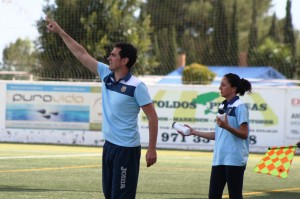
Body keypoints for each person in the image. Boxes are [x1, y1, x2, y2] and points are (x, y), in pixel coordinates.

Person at [46, 17, 158, 199]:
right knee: (109, 195)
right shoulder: (106, 74)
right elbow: (81, 54)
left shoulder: (137, 87)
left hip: (126, 150)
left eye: (113, 55)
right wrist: (60, 32)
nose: (109, 57)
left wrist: (152, 148)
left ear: (125, 61)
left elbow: (153, 117)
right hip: (109, 147)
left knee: (121, 196)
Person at [178, 73, 252, 199]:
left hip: (234, 159)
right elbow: (218, 134)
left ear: (233, 88)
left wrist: (227, 127)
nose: (220, 88)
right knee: (213, 196)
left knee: (235, 196)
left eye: (223, 85)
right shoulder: (222, 105)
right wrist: (194, 132)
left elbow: (244, 134)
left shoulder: (240, 107)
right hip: (219, 158)